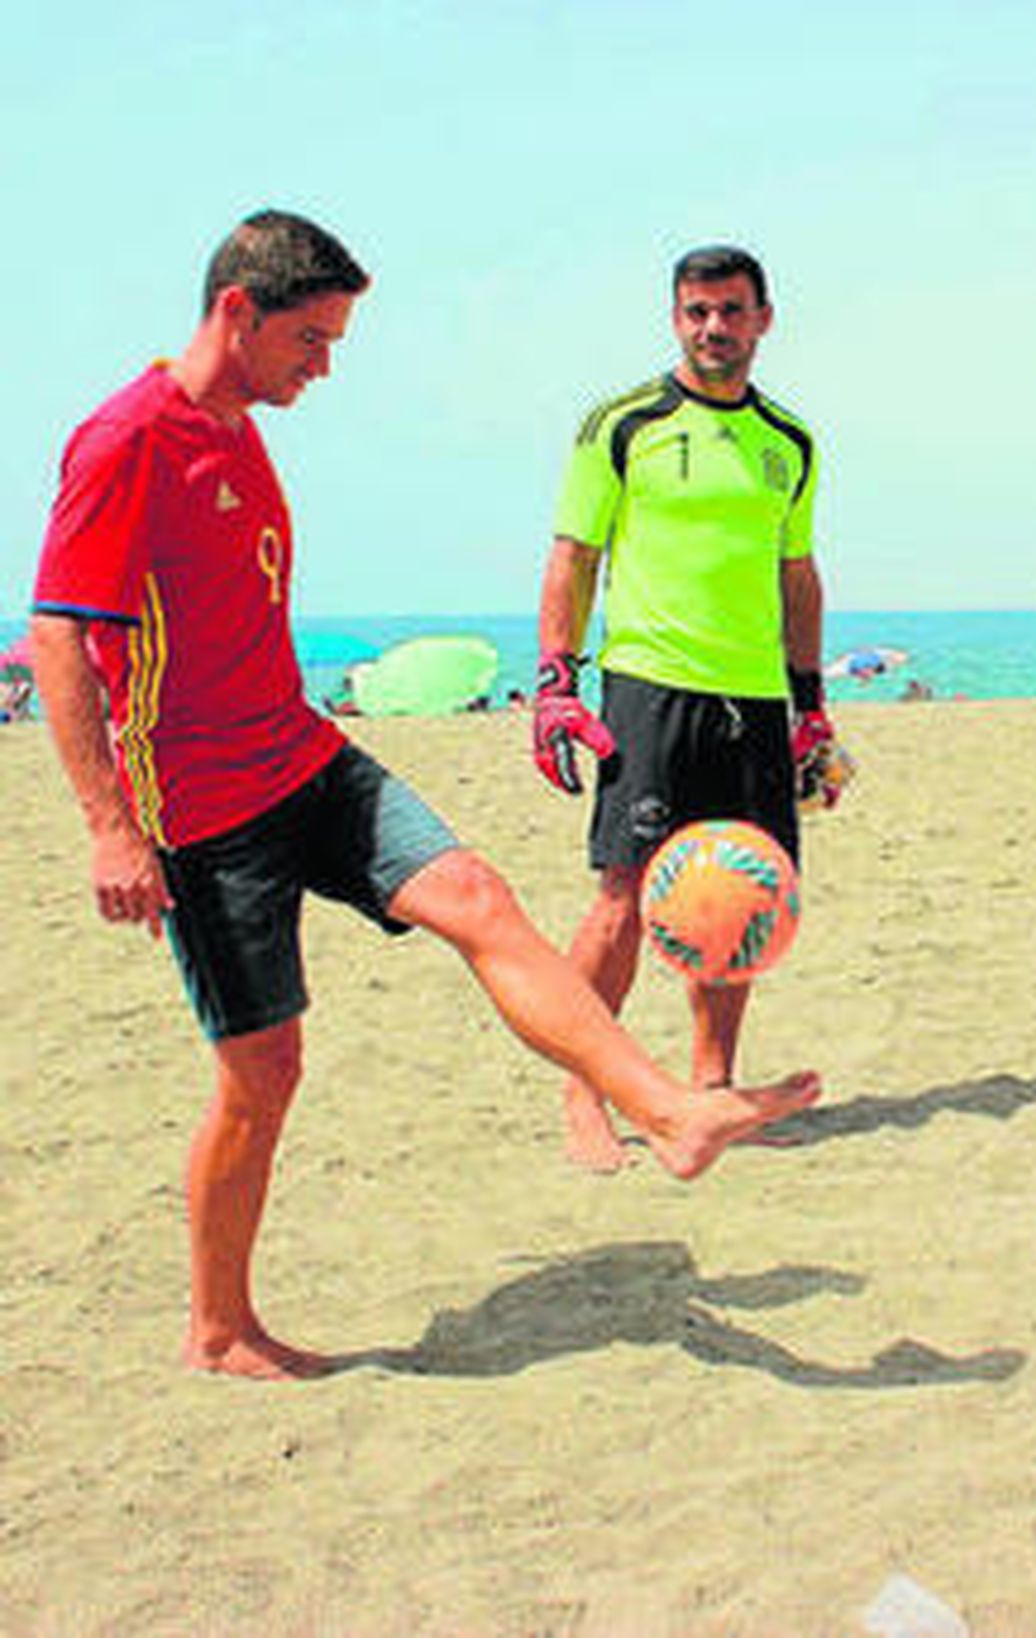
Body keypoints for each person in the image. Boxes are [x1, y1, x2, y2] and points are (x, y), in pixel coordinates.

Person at [29, 211, 820, 1381]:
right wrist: (109, 827)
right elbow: (58, 638)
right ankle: (217, 1329)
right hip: (200, 808)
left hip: (305, 756)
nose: (325, 363)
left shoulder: (240, 424)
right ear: (238, 313)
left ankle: (664, 1111)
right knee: (262, 1077)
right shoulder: (125, 440)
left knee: (478, 897)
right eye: (313, 337)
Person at [533, 244, 835, 1172]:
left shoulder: (790, 441)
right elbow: (575, 556)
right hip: (650, 684)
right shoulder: (622, 425)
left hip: (752, 696)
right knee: (624, 896)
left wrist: (811, 705)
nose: (715, 328)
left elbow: (798, 577)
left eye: (732, 311)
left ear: (763, 319)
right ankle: (588, 1087)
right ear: (676, 319)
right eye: (698, 311)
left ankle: (713, 1084)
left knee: (739, 895)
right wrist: (555, 683)